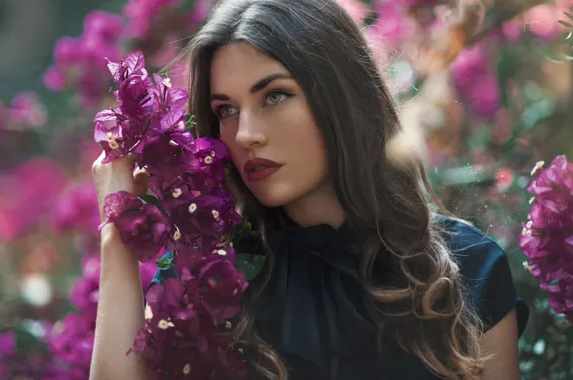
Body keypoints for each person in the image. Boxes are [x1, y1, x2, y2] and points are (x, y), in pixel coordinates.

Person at [90, 0, 529, 379]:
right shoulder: (210, 283)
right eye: (225, 109)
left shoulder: (465, 268)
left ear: (339, 95)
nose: (245, 135)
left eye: (275, 96)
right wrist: (118, 225)